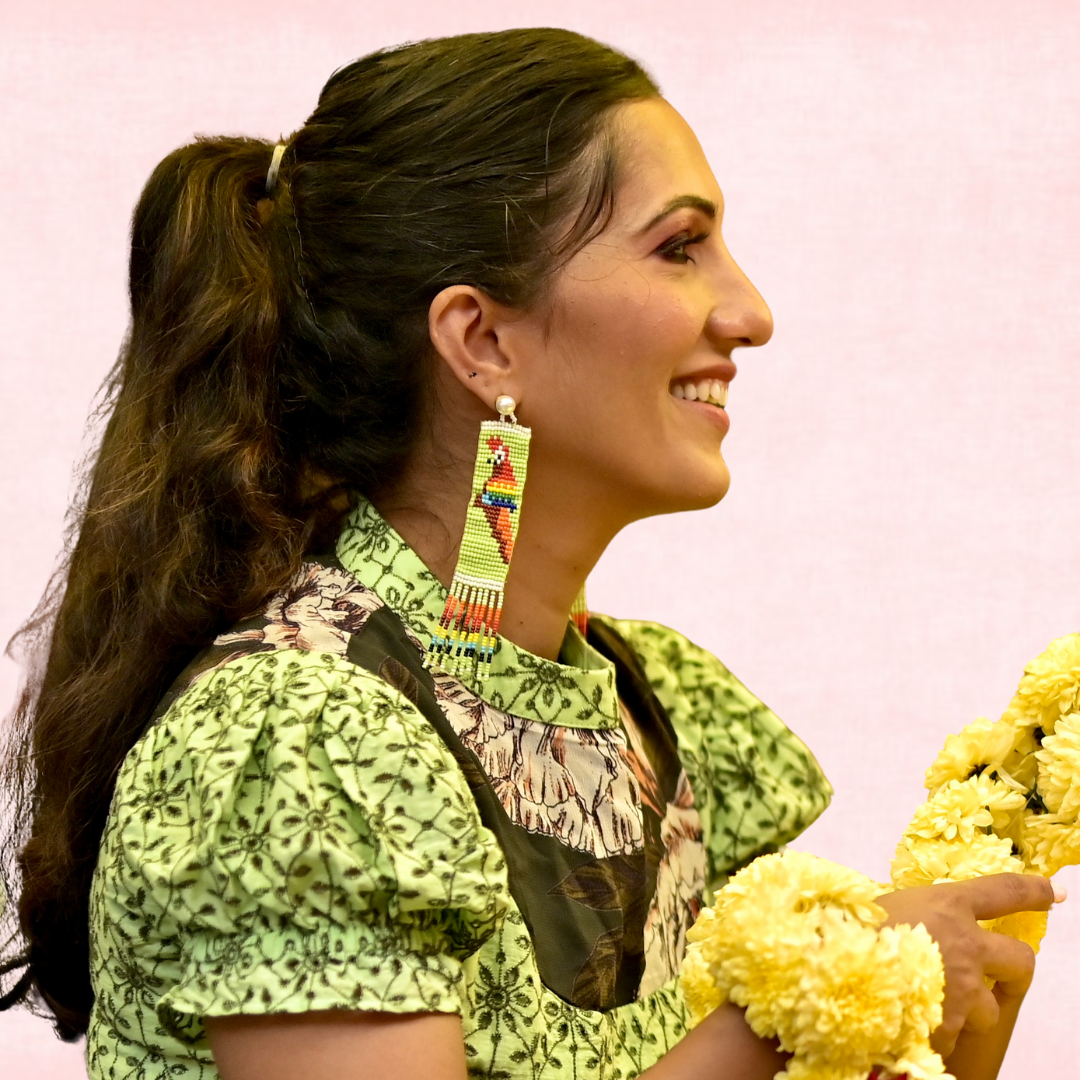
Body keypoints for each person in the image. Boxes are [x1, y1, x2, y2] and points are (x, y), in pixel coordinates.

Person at [0, 27, 1060, 1080]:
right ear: (484, 343)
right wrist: (777, 1022)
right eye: (680, 246)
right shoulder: (293, 735)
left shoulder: (661, 714)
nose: (750, 313)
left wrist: (958, 945)